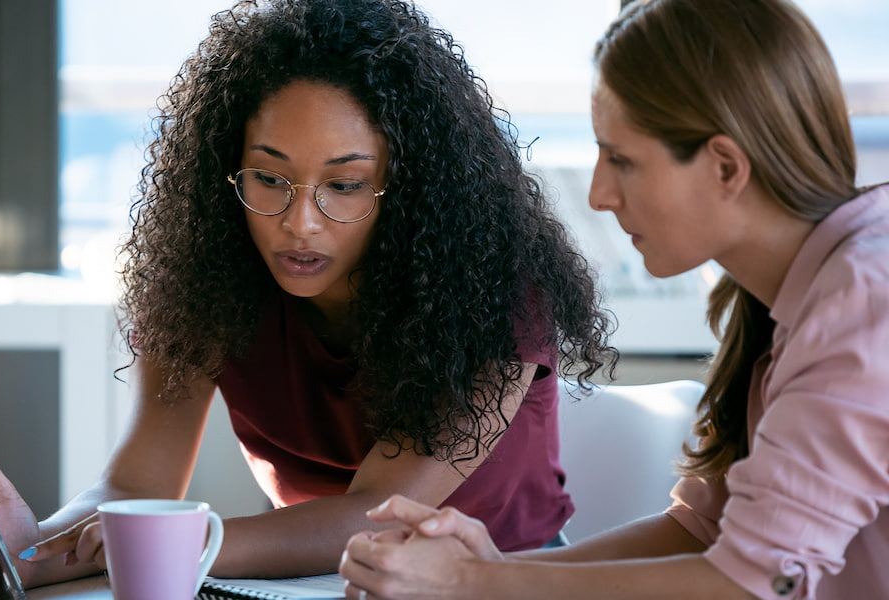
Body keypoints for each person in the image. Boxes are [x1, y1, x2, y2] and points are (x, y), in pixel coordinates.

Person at [0, 0, 614, 592]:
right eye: (268, 177)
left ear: (405, 190)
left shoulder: (492, 290)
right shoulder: (206, 279)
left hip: (500, 582)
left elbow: (373, 514)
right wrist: (30, 549)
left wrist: (178, 546)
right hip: (301, 583)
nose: (300, 222)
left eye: (344, 185)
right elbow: (138, 488)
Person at [338, 0, 889, 598]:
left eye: (623, 160)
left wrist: (475, 583)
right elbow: (701, 532)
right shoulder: (795, 296)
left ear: (726, 167)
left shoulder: (861, 304)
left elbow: (753, 582)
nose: (599, 194)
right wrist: (493, 572)